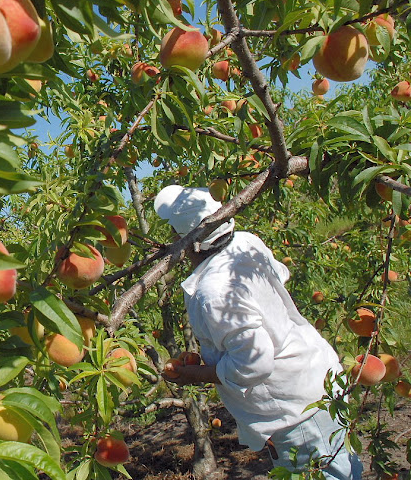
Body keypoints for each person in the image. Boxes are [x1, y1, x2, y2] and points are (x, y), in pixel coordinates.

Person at [154, 184, 362, 479]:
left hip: (298, 410)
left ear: (182, 239)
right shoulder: (247, 242)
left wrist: (196, 375)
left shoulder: (214, 292)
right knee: (346, 467)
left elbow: (255, 362)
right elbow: (278, 279)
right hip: (319, 381)